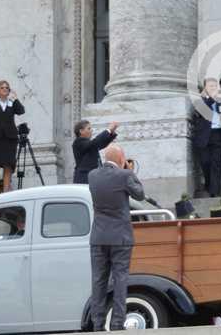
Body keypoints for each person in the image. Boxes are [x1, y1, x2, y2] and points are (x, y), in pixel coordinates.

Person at [88, 144, 145, 332]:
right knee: (120, 281)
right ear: (121, 159)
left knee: (98, 282)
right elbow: (140, 194)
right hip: (120, 237)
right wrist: (130, 171)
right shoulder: (124, 175)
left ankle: (97, 325)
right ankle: (117, 324)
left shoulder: (92, 176)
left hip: (98, 237)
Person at [0, 80, 26, 194]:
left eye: (7, 88)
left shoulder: (12, 103)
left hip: (10, 138)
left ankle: (6, 192)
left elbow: (21, 111)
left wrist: (15, 99)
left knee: (8, 166)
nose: (5, 89)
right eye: (2, 88)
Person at [192, 78, 221, 197]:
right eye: (211, 86)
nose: (213, 88)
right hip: (204, 136)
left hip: (219, 135)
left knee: (217, 163)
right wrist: (212, 98)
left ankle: (214, 192)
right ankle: (209, 184)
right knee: (205, 162)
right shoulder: (199, 101)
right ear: (205, 88)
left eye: (215, 86)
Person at [72, 119, 118, 185]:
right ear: (81, 131)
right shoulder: (78, 142)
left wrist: (111, 133)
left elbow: (100, 144)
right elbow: (95, 143)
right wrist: (108, 130)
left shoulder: (89, 144)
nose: (91, 130)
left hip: (93, 177)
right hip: (84, 178)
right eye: (89, 128)